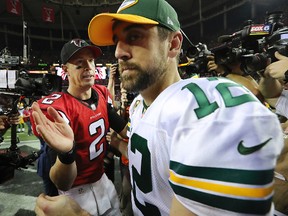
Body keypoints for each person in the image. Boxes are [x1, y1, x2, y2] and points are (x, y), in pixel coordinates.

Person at [33, 0, 283, 215]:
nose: (119, 51)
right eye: (117, 40)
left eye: (134, 36)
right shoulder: (141, 104)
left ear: (173, 44)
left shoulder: (209, 109)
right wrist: (119, 145)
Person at [31, 38, 127, 216]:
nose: (89, 67)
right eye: (80, 64)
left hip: (104, 181)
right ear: (66, 70)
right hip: (77, 194)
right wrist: (67, 154)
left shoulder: (101, 92)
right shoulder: (58, 109)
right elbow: (62, 182)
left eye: (91, 61)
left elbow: (124, 129)